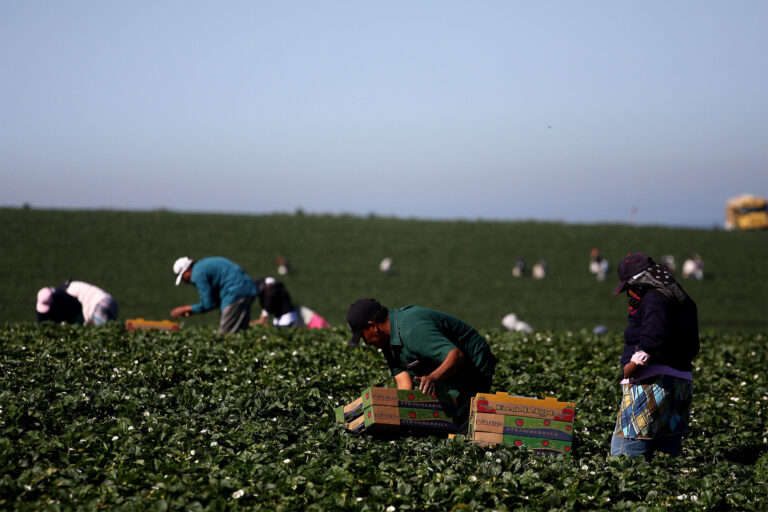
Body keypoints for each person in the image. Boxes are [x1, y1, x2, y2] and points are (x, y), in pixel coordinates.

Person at [346, 298, 497, 434]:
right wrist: (391, 417)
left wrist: (433, 378)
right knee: (440, 425)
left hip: (473, 366)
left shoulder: (412, 330)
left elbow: (455, 356)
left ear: (373, 326)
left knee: (461, 429)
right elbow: (404, 384)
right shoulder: (387, 342)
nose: (365, 342)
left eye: (362, 336)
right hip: (442, 370)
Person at [609, 252, 700, 460]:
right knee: (666, 456)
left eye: (629, 289)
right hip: (681, 385)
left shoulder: (654, 298)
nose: (628, 295)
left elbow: (652, 337)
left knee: (625, 456)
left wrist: (632, 366)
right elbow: (693, 345)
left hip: (651, 385)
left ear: (638, 283)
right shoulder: (680, 298)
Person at [171, 256, 259, 334]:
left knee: (225, 336)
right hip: (248, 290)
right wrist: (191, 310)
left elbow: (208, 304)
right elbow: (214, 302)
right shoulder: (203, 266)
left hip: (234, 294)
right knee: (242, 332)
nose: (185, 281)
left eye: (183, 278)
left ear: (187, 271)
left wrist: (185, 309)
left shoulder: (197, 274)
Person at [251, 277, 330, 328]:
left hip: (286, 318)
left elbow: (268, 304)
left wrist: (263, 317)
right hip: (284, 316)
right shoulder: (277, 286)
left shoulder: (270, 290)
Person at [36, 280, 118, 325]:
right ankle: (130, 325)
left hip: (98, 305)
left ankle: (129, 326)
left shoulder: (65, 297)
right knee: (115, 328)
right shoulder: (67, 290)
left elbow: (78, 314)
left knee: (107, 331)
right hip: (110, 302)